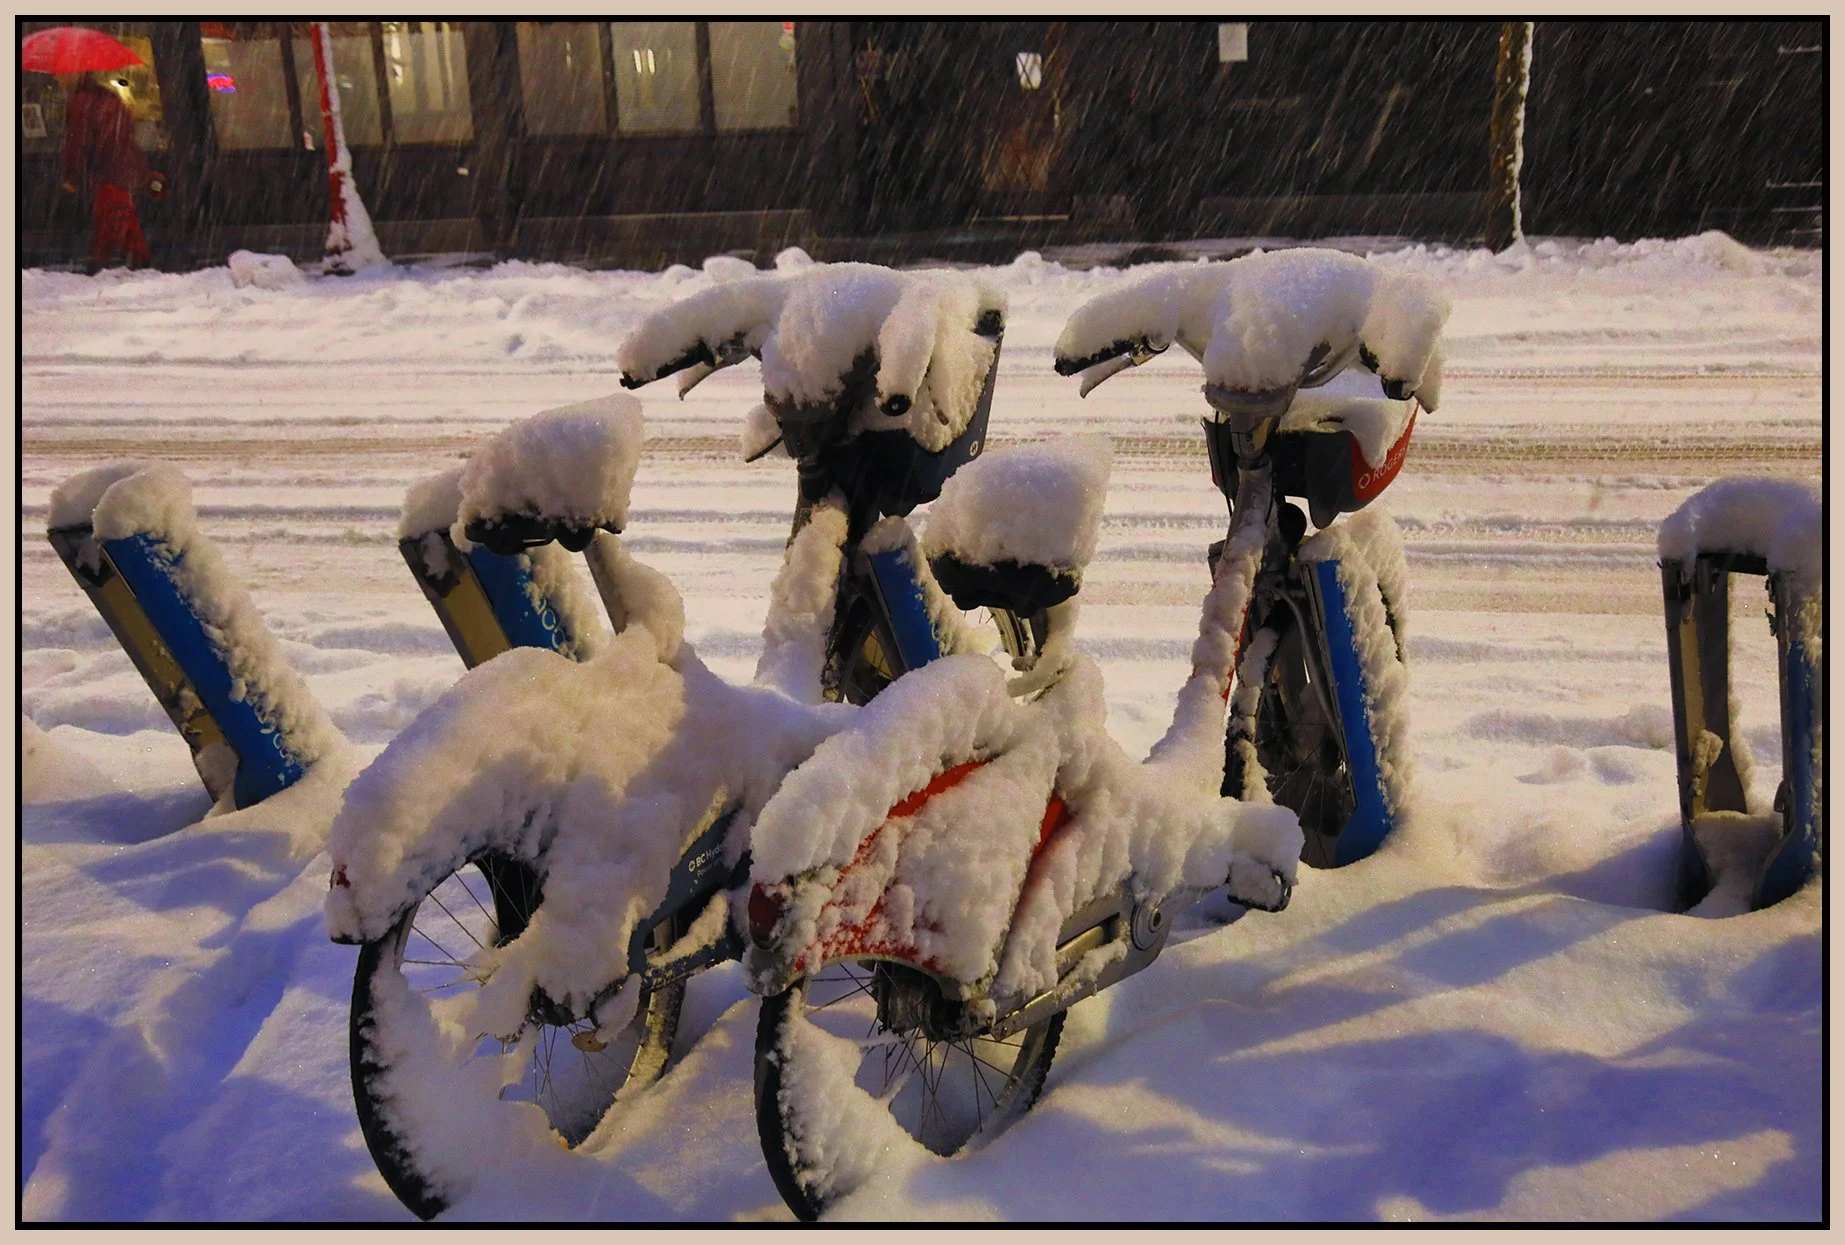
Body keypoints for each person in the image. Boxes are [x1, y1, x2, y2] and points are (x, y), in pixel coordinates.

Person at [58, 71, 155, 272]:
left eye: (60, 75)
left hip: (106, 170)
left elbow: (78, 143)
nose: (56, 79)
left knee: (109, 220)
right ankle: (139, 259)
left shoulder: (80, 102)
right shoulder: (110, 97)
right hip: (123, 167)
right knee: (122, 217)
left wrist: (72, 175)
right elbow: (125, 132)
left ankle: (101, 264)